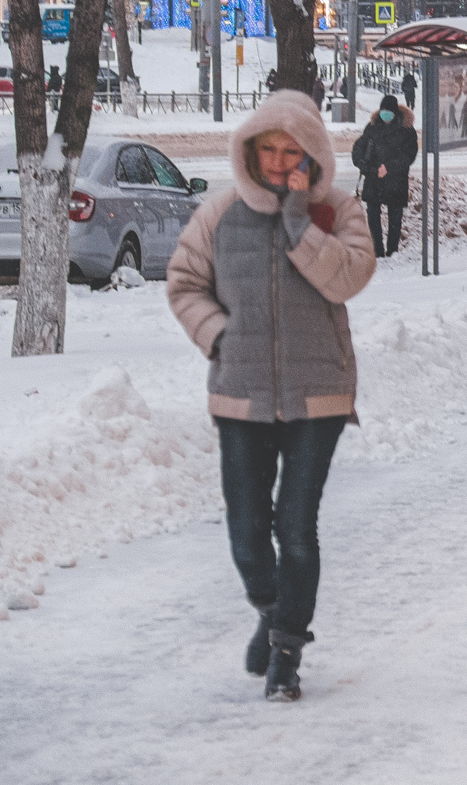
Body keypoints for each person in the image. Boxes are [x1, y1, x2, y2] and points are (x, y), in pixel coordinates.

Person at [166, 90, 376, 702]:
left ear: (312, 155)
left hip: (321, 394)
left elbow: (351, 277)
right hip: (242, 394)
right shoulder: (220, 213)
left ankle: (287, 651)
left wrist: (297, 224)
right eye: (270, 150)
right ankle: (269, 606)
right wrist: (219, 336)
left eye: (294, 151)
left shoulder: (338, 210)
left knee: (296, 524)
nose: (282, 162)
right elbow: (184, 284)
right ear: (251, 150)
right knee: (248, 529)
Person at [351, 94, 418, 257]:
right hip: (374, 179)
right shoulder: (373, 127)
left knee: (395, 216)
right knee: (373, 215)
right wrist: (368, 167)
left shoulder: (406, 129)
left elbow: (409, 155)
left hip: (396, 180)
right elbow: (358, 149)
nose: (385, 114)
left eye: (388, 111)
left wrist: (389, 168)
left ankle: (393, 250)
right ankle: (377, 250)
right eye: (383, 110)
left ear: (395, 112)